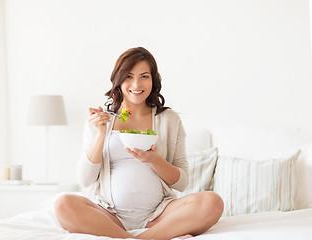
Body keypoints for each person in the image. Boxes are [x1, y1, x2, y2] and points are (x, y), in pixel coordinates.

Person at [54, 47, 224, 240]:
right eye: (128, 76)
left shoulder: (168, 119)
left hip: (159, 215)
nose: (136, 84)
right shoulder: (100, 120)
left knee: (213, 202)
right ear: (118, 80)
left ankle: (141, 238)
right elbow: (85, 179)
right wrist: (101, 134)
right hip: (110, 215)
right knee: (63, 204)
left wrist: (154, 160)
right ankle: (144, 238)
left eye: (144, 76)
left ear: (153, 80)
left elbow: (182, 183)